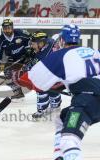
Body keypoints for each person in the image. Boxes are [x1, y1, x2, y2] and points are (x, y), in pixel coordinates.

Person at [12, 24, 100, 159]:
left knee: (69, 140)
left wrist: (18, 77)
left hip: (87, 101)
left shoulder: (60, 55)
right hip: (92, 99)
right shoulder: (93, 52)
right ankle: (59, 156)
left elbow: (33, 81)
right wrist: (60, 86)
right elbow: (79, 76)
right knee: (62, 118)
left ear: (62, 40)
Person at [0, 19, 31, 99]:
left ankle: (42, 87)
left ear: (12, 27)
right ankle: (18, 92)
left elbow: (31, 40)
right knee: (7, 73)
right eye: (5, 28)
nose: (7, 30)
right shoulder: (0, 40)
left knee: (29, 73)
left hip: (27, 57)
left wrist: (29, 52)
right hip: (13, 59)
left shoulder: (21, 33)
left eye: (9, 28)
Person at [29, 31, 61, 119]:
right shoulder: (49, 42)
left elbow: (31, 66)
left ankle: (53, 105)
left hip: (55, 72)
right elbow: (54, 37)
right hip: (53, 71)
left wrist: (23, 69)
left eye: (34, 44)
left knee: (43, 86)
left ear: (41, 43)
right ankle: (45, 107)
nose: (32, 46)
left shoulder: (43, 54)